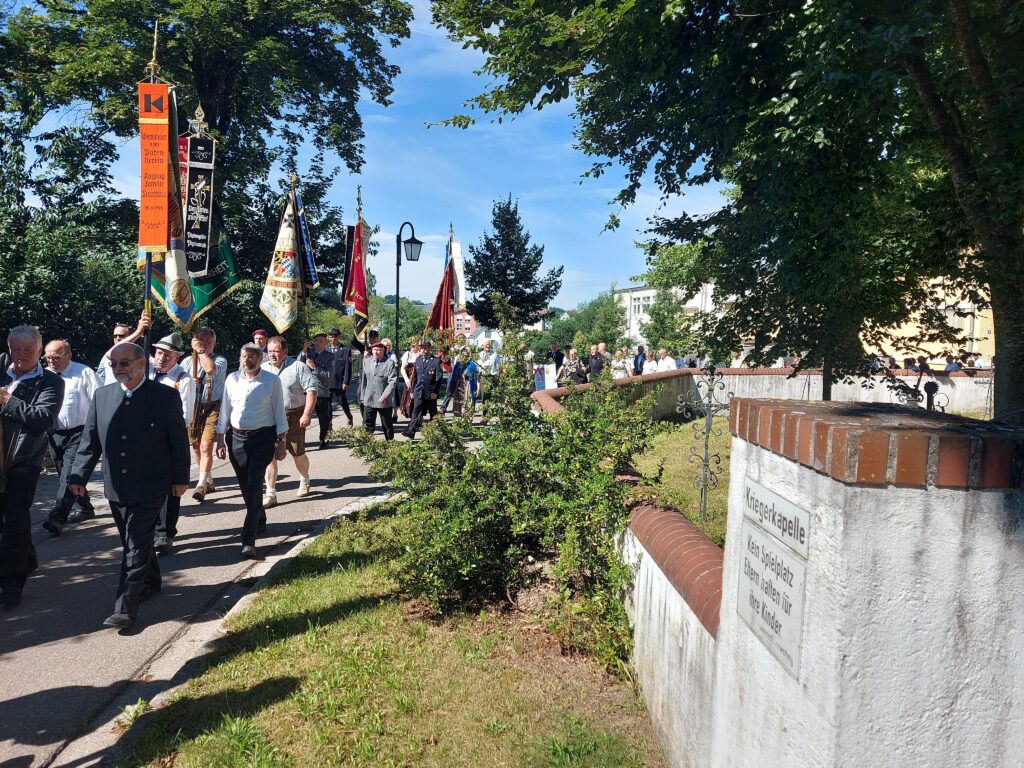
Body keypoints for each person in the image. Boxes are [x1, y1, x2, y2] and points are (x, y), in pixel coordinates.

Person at [68, 342, 189, 629]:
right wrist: (77, 476)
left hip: (152, 484)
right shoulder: (102, 396)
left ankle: (125, 608)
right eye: (113, 364)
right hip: (116, 485)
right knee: (133, 541)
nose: (118, 368)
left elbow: (178, 441)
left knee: (134, 544)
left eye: (124, 363)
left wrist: (180, 478)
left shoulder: (165, 396)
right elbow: (89, 442)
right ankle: (153, 579)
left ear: (141, 364)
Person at [1, 326, 64, 607]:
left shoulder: (49, 382)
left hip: (23, 461)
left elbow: (44, 417)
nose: (21, 355)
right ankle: (26, 558)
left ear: (39, 352)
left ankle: (12, 584)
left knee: (14, 520)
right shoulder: (2, 369)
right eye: (16, 349)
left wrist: (9, 401)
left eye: (28, 350)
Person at [215, 343, 287, 559]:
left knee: (254, 482)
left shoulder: (271, 381)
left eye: (252, 356)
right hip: (236, 438)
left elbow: (278, 411)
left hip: (262, 439)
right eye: (244, 356)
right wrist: (220, 438)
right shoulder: (232, 379)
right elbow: (225, 410)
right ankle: (260, 518)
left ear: (260, 358)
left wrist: (281, 440)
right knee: (246, 486)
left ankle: (248, 540)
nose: (247, 360)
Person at [42, 338, 101, 536]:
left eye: (56, 357)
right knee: (64, 475)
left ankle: (57, 518)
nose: (51, 361)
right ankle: (86, 507)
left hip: (79, 432)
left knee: (69, 476)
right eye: (48, 357)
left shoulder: (83, 373)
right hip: (53, 433)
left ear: (69, 355)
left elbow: (99, 401)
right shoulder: (44, 375)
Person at [148, 333, 196, 554]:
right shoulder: (145, 373)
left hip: (168, 441)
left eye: (167, 355)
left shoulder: (183, 380)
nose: (161, 358)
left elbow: (185, 416)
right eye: (159, 353)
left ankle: (165, 533)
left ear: (177, 357)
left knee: (170, 488)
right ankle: (148, 528)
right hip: (144, 441)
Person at [261, 336, 318, 507]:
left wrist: (307, 414)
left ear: (285, 352)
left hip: (294, 415)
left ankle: (305, 479)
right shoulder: (262, 369)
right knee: (269, 455)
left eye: (276, 351)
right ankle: (270, 493)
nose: (272, 355)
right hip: (269, 416)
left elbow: (312, 391)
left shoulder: (298, 367)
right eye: (270, 351)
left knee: (297, 452)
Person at [186, 327, 228, 502]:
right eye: (201, 340)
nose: (204, 344)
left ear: (214, 342)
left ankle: (201, 484)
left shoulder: (220, 360)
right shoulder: (188, 361)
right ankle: (208, 477)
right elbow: (177, 383)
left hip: (212, 408)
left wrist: (201, 351)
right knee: (196, 446)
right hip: (193, 407)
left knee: (205, 446)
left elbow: (210, 370)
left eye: (208, 341)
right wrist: (189, 381)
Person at [401, 339, 444, 439]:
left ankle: (435, 434)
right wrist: (412, 391)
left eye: (425, 347)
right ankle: (410, 431)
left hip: (430, 392)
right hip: (419, 391)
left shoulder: (436, 361)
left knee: (433, 413)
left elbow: (439, 378)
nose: (423, 349)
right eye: (421, 347)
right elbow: (415, 377)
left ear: (429, 348)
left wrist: (435, 392)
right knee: (416, 411)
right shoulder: (419, 360)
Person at [96, 312, 150, 385]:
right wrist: (138, 332)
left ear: (132, 337)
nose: (117, 338)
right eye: (115, 336)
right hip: (111, 395)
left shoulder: (142, 358)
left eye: (121, 336)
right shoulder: (107, 358)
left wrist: (138, 332)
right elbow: (99, 380)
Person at [360, 342, 398, 439]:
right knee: (367, 425)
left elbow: (392, 381)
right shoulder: (367, 361)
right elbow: (364, 380)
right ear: (371, 351)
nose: (376, 352)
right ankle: (366, 445)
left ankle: (390, 445)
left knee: (387, 425)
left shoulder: (389, 363)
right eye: (374, 350)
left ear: (383, 351)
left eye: (379, 350)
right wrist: (362, 396)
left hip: (383, 399)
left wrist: (385, 395)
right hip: (369, 398)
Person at [305, 333, 335, 449]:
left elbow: (328, 374)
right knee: (304, 417)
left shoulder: (329, 356)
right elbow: (297, 364)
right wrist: (303, 351)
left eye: (320, 341)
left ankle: (323, 439)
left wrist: (314, 368)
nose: (317, 343)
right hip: (307, 391)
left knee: (323, 418)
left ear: (325, 343)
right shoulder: (310, 352)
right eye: (316, 340)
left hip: (321, 392)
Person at [325, 328, 354, 428]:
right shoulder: (326, 349)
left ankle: (349, 416)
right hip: (328, 382)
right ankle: (329, 423)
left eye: (333, 337)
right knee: (328, 404)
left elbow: (347, 368)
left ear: (338, 337)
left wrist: (345, 381)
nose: (331, 339)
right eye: (330, 337)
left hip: (339, 381)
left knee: (342, 402)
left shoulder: (346, 350)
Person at [399, 338, 421, 420]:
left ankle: (420, 417)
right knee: (410, 398)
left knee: (419, 398)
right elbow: (402, 369)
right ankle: (413, 417)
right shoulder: (407, 354)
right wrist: (406, 379)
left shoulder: (421, 354)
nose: (413, 347)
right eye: (411, 345)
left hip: (419, 379)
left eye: (414, 345)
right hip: (410, 379)